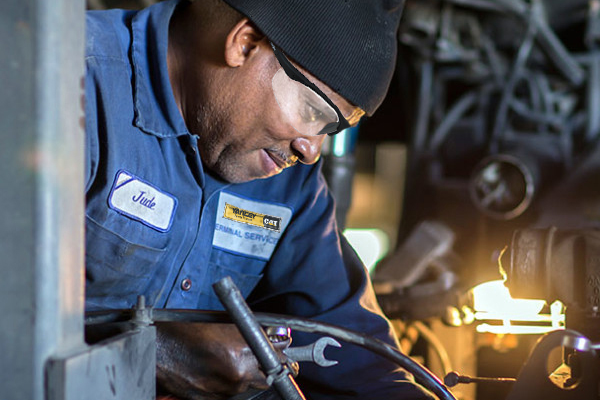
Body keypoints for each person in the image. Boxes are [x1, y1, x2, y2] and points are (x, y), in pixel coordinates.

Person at [84, 0, 434, 398]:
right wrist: (148, 353)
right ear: (245, 43)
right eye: (311, 112)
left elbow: (361, 367)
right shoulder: (67, 87)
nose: (310, 150)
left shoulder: (290, 185)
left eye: (330, 130)